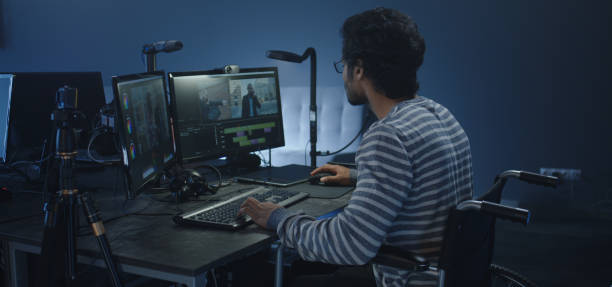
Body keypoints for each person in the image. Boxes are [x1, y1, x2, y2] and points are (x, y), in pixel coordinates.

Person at [239, 7, 473, 287]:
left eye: (343, 66)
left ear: (359, 69)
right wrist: (357, 175)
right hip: (443, 274)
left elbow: (349, 245)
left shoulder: (388, 136)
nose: (343, 75)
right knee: (302, 267)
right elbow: (425, 178)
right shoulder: (437, 114)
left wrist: (278, 218)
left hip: (406, 278)